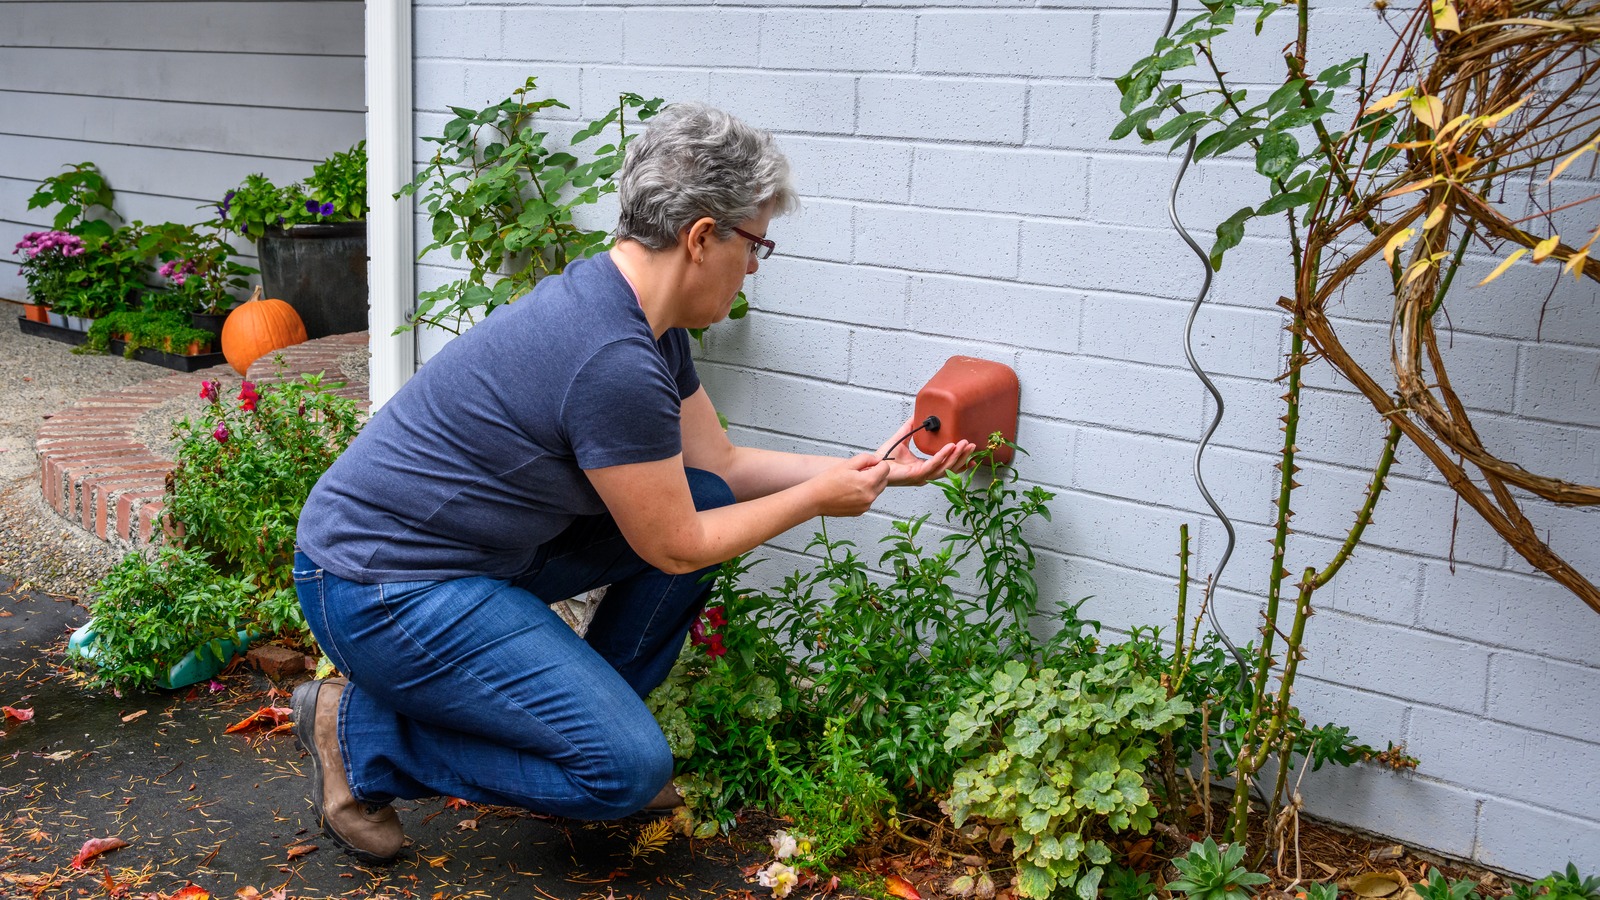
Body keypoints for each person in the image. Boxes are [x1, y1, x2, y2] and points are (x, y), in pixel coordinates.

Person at [289, 102, 976, 864]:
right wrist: (818, 500)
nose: (754, 266)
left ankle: (589, 725)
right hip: (377, 584)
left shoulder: (642, 321)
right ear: (702, 236)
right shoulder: (610, 357)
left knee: (710, 500)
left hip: (470, 554)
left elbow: (717, 467)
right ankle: (361, 739)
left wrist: (867, 469)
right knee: (625, 770)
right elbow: (677, 548)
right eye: (756, 244)